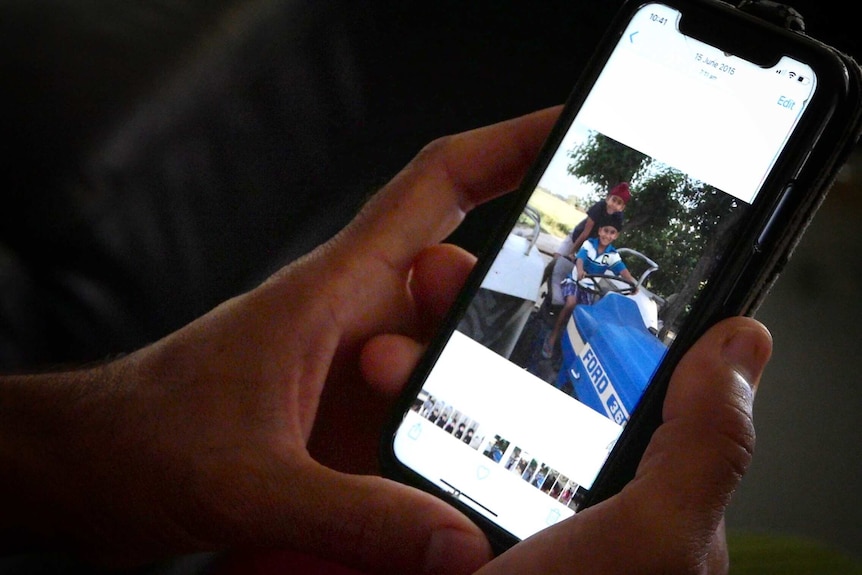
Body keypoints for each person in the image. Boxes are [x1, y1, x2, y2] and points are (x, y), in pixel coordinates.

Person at [0, 109, 772, 575]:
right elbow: (571, 263)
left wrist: (77, 451)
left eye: (612, 218)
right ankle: (544, 348)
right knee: (551, 302)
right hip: (564, 293)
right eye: (606, 215)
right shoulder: (582, 235)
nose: (609, 220)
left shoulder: (619, 248)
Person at [543, 220, 638, 358]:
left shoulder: (612, 255)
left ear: (616, 236)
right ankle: (553, 335)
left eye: (612, 233)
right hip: (574, 282)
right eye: (606, 231)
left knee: (586, 314)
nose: (608, 235)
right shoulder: (589, 244)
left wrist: (632, 283)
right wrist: (580, 270)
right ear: (600, 231)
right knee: (571, 303)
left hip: (590, 288)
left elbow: (623, 270)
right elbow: (580, 259)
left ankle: (571, 343)